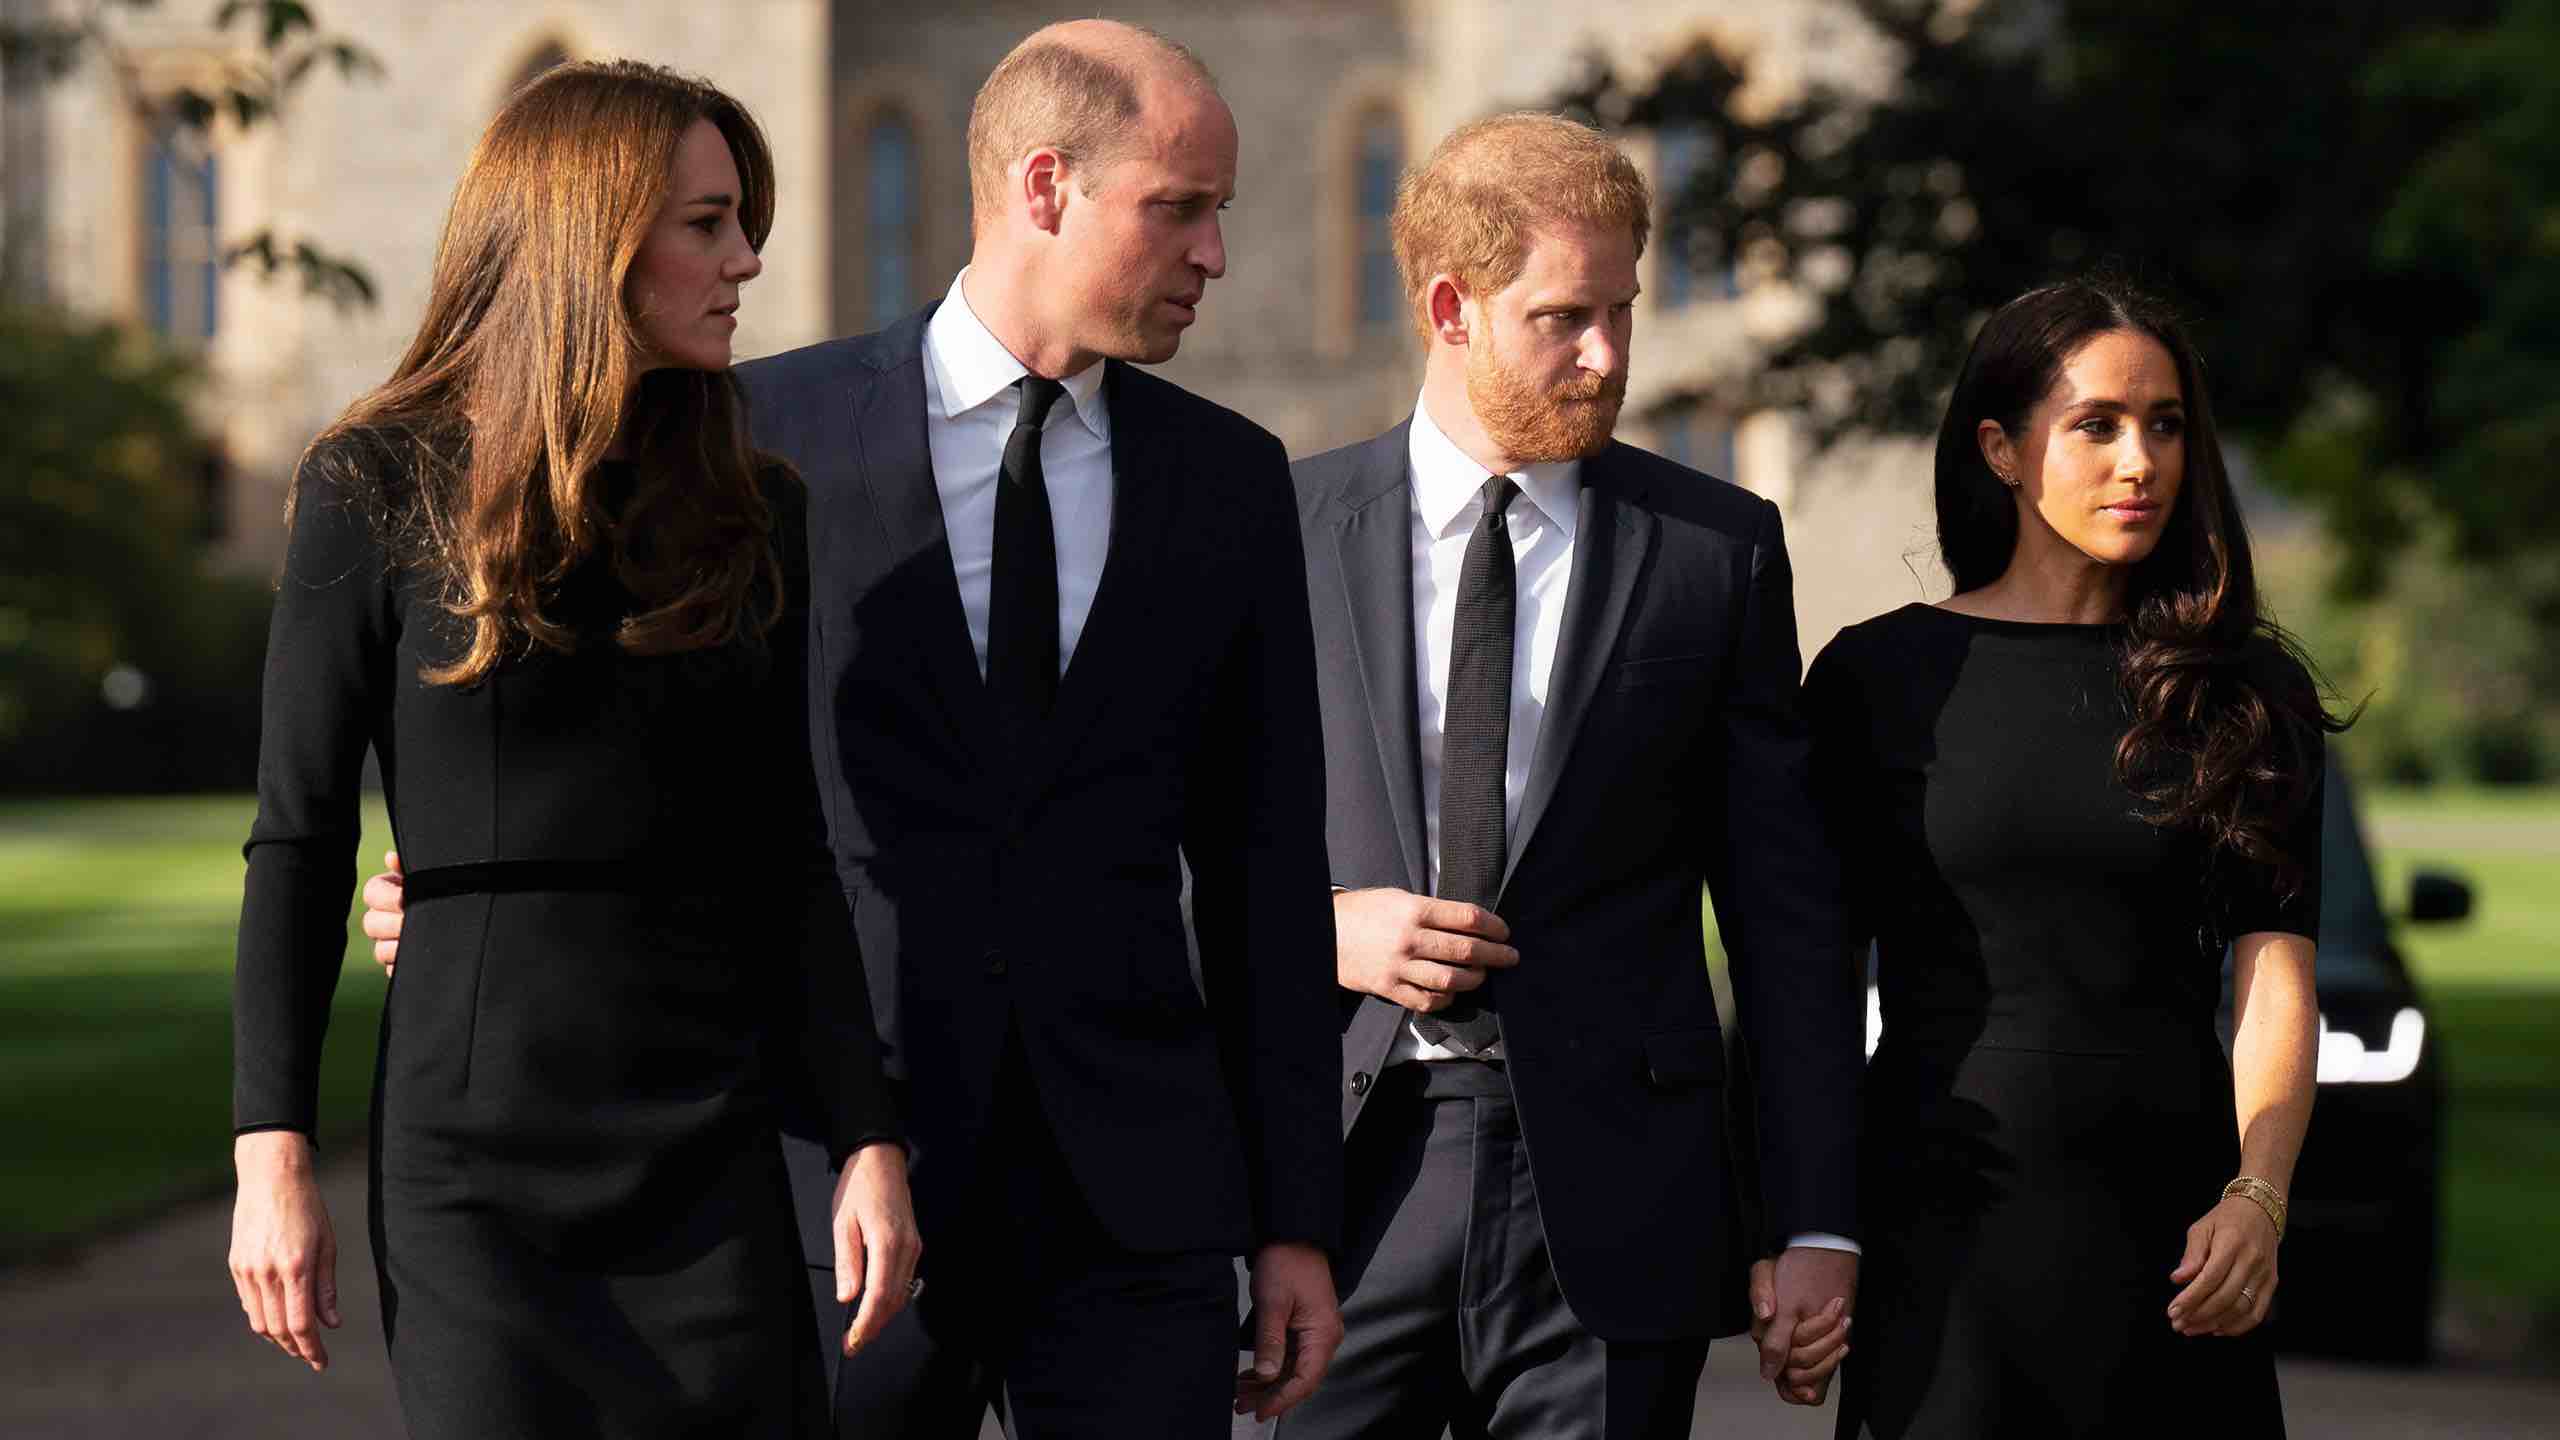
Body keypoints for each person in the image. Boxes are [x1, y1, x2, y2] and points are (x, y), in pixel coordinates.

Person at [226, 61, 917, 1438]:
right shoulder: (374, 481)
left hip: (709, 1142)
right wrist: (271, 1155)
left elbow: (790, 854)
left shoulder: (753, 508)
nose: (747, 259)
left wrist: (867, 1137)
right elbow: (299, 838)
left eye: (743, 222)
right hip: (473, 1164)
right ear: (590, 236)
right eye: (707, 224)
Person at [1277, 113, 1863, 1440]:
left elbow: (1785, 917)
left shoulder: (1716, 551)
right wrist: (1321, 929)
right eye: (1562, 319)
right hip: (1336, 1186)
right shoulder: (1279, 530)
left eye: (1622, 311)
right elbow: (1159, 845)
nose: (1607, 356)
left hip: (1614, 1201)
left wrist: (1813, 1218)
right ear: (1450, 309)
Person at [1800, 277, 2334, 1436]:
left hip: (2179, 1237)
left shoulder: (2247, 691)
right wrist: (1805, 1230)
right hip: (1938, 1227)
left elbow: (2275, 973)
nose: (2139, 461)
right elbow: (1810, 987)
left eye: (2165, 424)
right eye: (2096, 424)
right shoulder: (1874, 680)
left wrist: (2258, 1195)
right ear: (1999, 448)